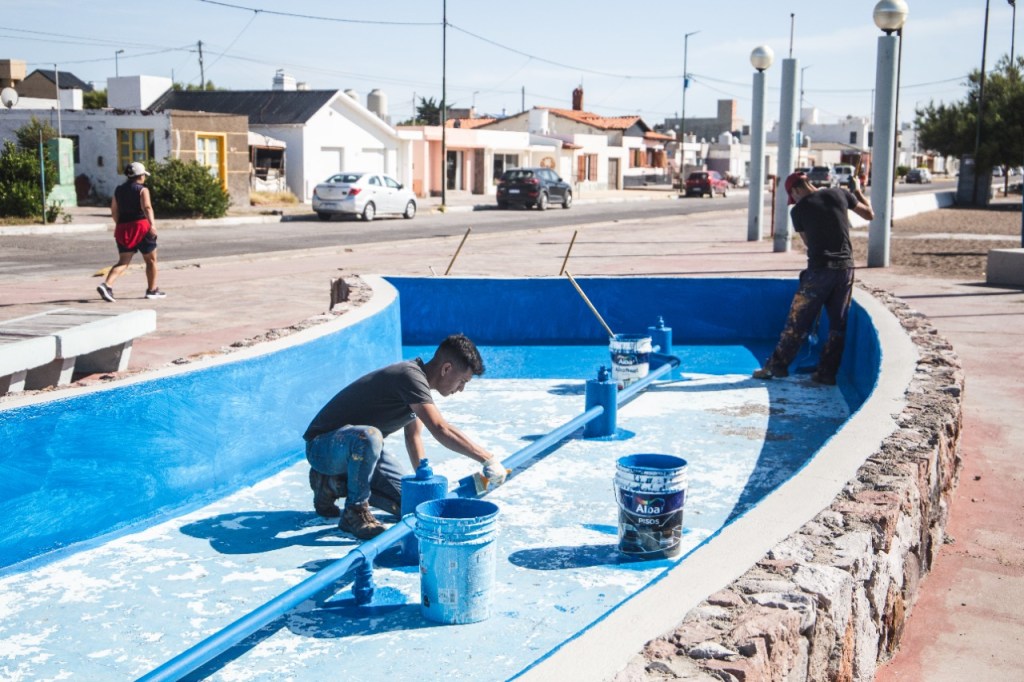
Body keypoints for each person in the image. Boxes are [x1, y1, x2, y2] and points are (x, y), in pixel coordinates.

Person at [303, 333, 507, 539]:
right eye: (462, 381)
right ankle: (354, 511)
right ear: (446, 369)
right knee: (371, 436)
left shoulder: (418, 385)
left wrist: (423, 481)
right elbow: (440, 428)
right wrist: (487, 459)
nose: (461, 389)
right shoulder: (409, 376)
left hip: (356, 451)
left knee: (413, 506)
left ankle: (331, 484)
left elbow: (413, 437)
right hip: (323, 446)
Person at [752, 170, 874, 385]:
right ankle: (826, 374)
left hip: (820, 270)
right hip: (846, 269)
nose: (794, 200)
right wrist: (857, 191)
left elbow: (809, 243)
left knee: (798, 321)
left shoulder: (798, 210)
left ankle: (777, 367)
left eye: (793, 196)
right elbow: (869, 214)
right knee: (838, 324)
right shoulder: (840, 193)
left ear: (797, 189)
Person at [97, 161, 166, 302]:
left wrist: (119, 225)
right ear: (140, 176)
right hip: (141, 227)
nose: (144, 178)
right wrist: (152, 224)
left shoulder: (118, 190)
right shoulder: (142, 190)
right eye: (144, 175)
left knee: (123, 261)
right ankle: (152, 290)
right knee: (151, 260)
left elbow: (114, 210)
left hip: (123, 227)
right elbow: (147, 207)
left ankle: (107, 285)